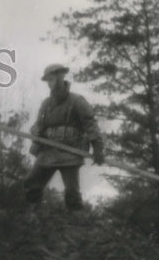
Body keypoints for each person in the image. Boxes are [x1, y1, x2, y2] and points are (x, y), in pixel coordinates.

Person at [23, 63, 105, 212]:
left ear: (61, 78)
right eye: (48, 80)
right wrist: (35, 132)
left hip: (70, 152)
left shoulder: (77, 101)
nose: (50, 83)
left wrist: (98, 148)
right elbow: (39, 125)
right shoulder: (46, 104)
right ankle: (33, 218)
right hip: (48, 151)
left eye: (52, 79)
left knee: (72, 192)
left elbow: (90, 125)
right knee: (31, 182)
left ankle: (76, 223)